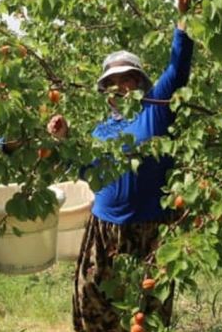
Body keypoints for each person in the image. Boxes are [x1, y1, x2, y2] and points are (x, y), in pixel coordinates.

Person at [72, 19, 194, 332]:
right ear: (105, 89)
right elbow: (89, 175)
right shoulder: (100, 132)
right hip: (103, 230)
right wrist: (61, 142)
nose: (122, 86)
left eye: (129, 79)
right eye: (114, 80)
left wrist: (183, 23)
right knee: (92, 304)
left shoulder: (155, 109)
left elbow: (178, 68)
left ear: (141, 83)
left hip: (149, 231)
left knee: (147, 312)